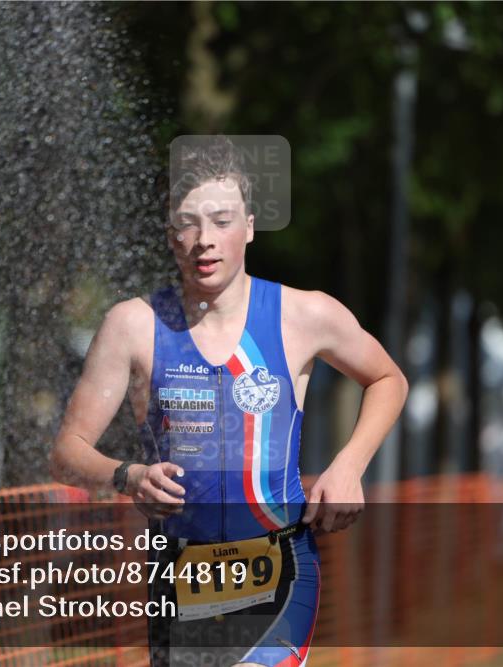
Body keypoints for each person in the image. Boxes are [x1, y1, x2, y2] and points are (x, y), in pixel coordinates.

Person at [50, 137, 408, 666]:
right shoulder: (133, 326)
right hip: (178, 578)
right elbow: (67, 453)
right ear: (170, 234)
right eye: (188, 223)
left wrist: (349, 466)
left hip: (279, 572)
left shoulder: (303, 316)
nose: (204, 241)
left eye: (221, 221)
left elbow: (387, 378)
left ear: (251, 227)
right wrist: (127, 475)